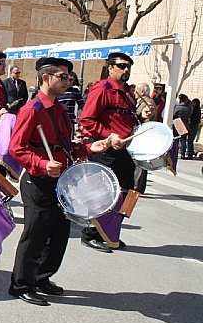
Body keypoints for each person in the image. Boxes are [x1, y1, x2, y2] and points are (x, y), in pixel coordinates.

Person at [8, 57, 110, 306]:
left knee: (59, 233)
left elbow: (65, 146)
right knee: (35, 234)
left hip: (60, 180)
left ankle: (42, 277)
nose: (68, 81)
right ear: (46, 78)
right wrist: (42, 164)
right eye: (63, 77)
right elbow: (16, 148)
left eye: (70, 78)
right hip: (37, 181)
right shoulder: (32, 110)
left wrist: (87, 148)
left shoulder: (59, 109)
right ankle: (21, 284)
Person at [79, 52, 153, 252]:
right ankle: (91, 234)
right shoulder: (102, 90)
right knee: (102, 194)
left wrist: (142, 121)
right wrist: (109, 136)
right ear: (110, 68)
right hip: (105, 150)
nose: (126, 69)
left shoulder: (128, 93)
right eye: (121, 65)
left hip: (125, 151)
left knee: (127, 192)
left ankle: (110, 233)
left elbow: (127, 121)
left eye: (129, 65)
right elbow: (86, 120)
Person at [174, 94, 192, 158]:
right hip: (186, 124)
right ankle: (183, 153)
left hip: (178, 124)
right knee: (183, 139)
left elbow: (174, 114)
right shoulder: (189, 108)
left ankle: (176, 152)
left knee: (176, 139)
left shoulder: (178, 107)